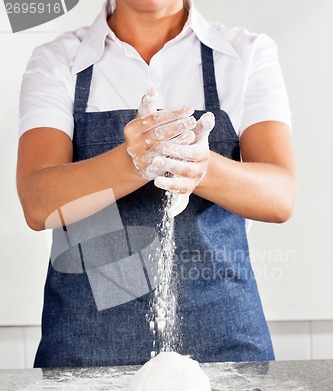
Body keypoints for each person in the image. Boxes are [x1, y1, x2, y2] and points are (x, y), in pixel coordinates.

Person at [17, 0, 296, 368]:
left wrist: (202, 167)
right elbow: (39, 203)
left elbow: (279, 197)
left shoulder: (244, 54)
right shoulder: (58, 61)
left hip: (223, 346)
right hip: (87, 351)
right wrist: (131, 162)